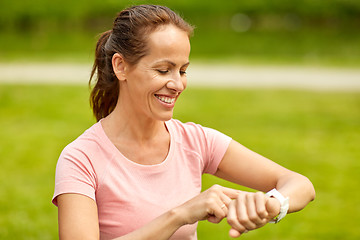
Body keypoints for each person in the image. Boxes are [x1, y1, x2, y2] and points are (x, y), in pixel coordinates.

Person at [52, 4, 315, 240]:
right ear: (121, 66)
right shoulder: (81, 158)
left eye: (183, 70)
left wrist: (271, 204)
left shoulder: (196, 142)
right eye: (163, 70)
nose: (178, 84)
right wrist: (180, 215)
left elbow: (300, 185)